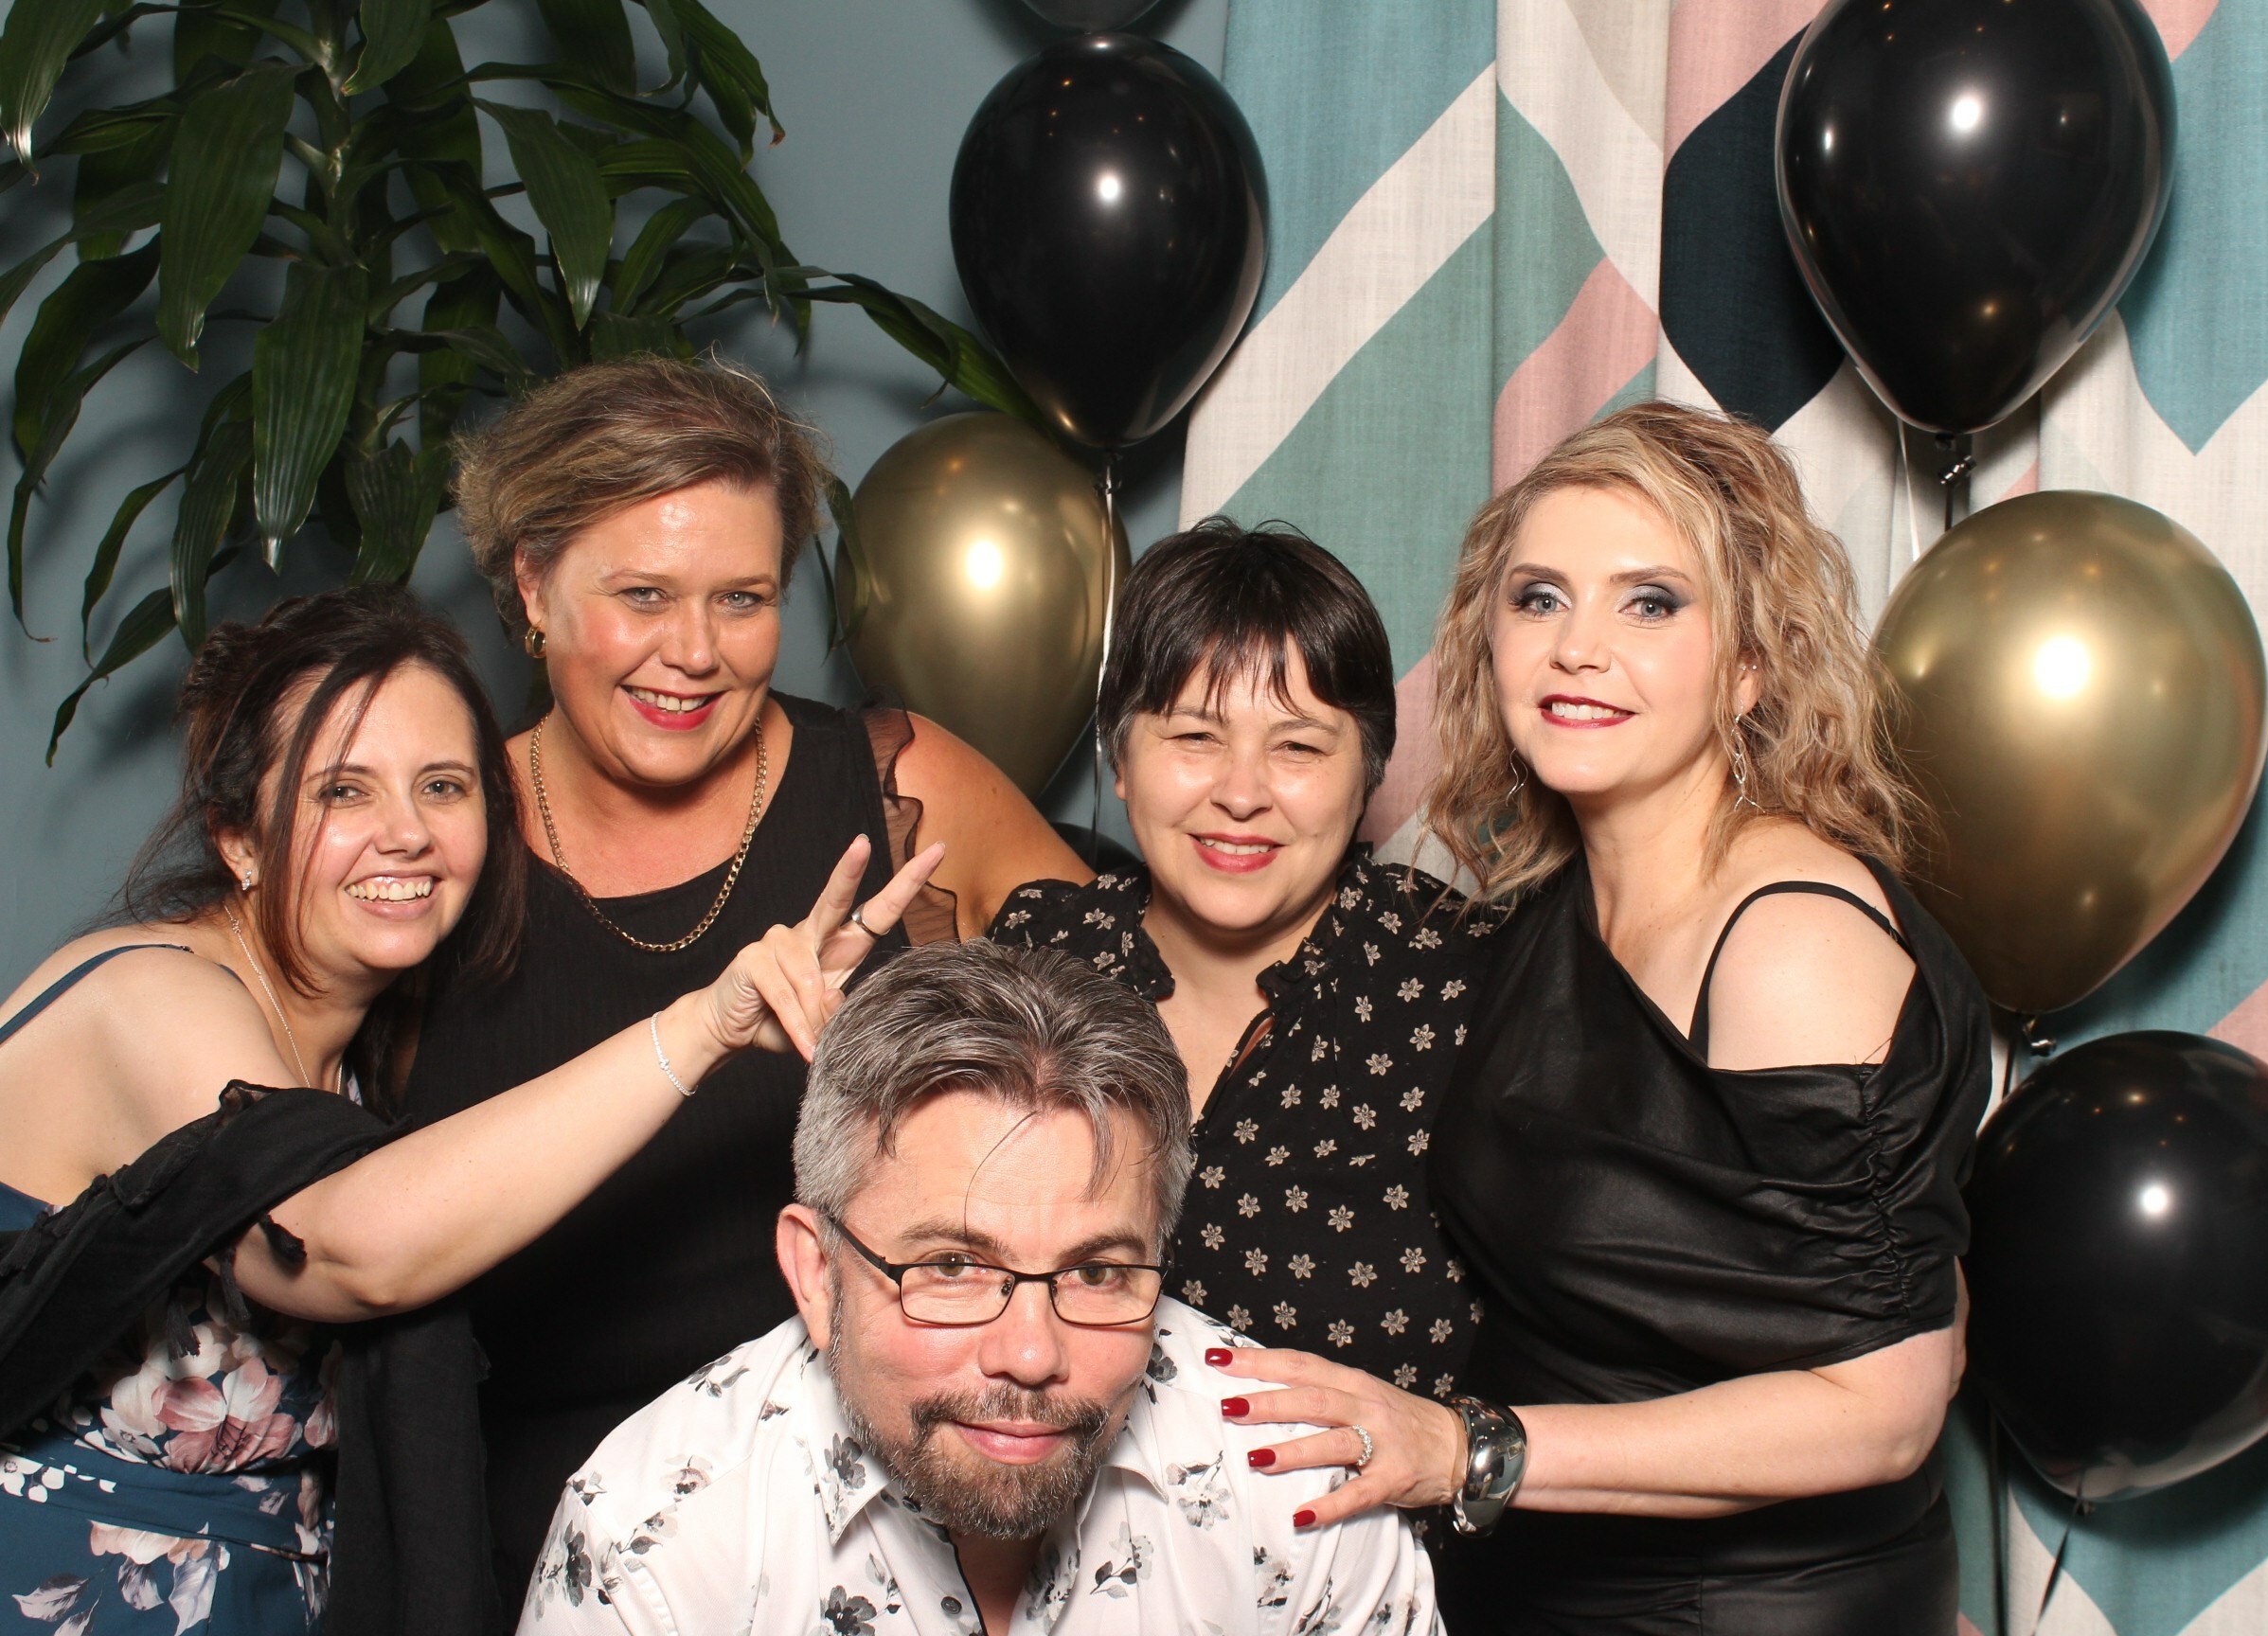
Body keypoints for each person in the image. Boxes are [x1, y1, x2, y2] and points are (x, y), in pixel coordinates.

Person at [0, 586, 940, 1635]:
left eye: (442, 786)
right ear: (239, 837)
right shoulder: (148, 997)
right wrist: (703, 1025)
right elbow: (344, 1244)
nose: (405, 834)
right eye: (343, 791)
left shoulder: (360, 1062)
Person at [1208, 405, 1991, 1633]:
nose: (1578, 649)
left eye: (1650, 604)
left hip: (1746, 1611)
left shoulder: (1785, 943)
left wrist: (1465, 1449)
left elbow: (1889, 1407)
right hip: (1534, 1590)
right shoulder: (1548, 910)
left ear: (1750, 665)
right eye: (1540, 599)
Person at [400, 357, 1088, 1607]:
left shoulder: (902, 791)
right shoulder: (429, 842)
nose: (695, 653)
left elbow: (1150, 1063)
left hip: (878, 1545)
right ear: (534, 584)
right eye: (643, 595)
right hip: (527, 1553)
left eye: (742, 598)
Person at [518, 939, 1438, 1636]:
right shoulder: (656, 1549)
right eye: (953, 1268)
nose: (1031, 1354)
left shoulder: (1300, 1488)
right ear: (817, 1274)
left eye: (1096, 1271)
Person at [989, 520, 1494, 1396]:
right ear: (1119, 756)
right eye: (1195, 737)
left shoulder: (1461, 981)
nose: (1241, 793)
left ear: (1369, 773)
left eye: (1298, 746)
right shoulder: (1036, 955)